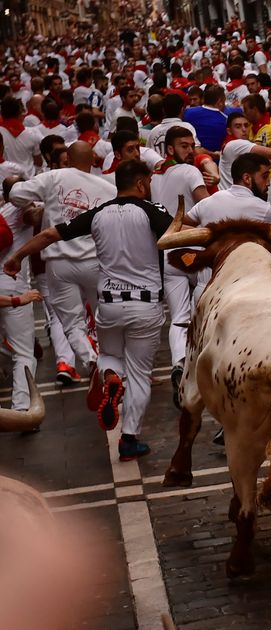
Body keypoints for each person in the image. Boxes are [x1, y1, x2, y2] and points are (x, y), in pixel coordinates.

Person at [5, 160, 172, 461]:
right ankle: (129, 439)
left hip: (109, 306)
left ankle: (109, 373)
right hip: (145, 305)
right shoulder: (153, 212)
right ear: (142, 184)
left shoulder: (98, 213)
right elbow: (180, 234)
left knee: (109, 354)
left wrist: (18, 256)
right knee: (139, 373)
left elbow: (48, 236)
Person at [7, 142, 111, 383]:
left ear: (69, 158)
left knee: (71, 322)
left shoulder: (54, 177)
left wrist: (40, 204)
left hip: (59, 264)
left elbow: (15, 194)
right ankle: (111, 366)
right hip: (95, 262)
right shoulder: (108, 188)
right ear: (92, 160)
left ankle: (90, 361)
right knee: (104, 317)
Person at [150, 126, 209, 404]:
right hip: (195, 251)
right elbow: (207, 208)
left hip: (167, 254)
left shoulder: (154, 177)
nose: (190, 151)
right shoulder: (190, 172)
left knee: (178, 317)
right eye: (184, 146)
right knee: (206, 308)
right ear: (170, 149)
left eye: (191, 145)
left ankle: (179, 363)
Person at [0, 177, 40, 418]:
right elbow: (35, 217)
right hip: (12, 286)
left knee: (10, 347)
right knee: (24, 352)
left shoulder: (3, 211)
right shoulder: (23, 211)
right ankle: (22, 409)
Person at [219, 112, 271, 190]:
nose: (244, 129)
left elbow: (266, 164)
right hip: (233, 195)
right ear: (229, 131)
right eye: (238, 127)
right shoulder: (235, 144)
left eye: (246, 125)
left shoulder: (231, 144)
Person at [183, 84, 230, 152]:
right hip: (215, 160)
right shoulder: (226, 120)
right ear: (220, 102)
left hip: (189, 157)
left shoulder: (187, 112)